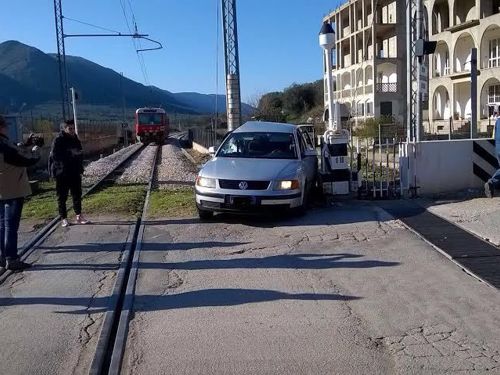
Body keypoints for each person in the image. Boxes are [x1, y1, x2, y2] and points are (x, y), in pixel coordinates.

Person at [0, 115, 40, 270]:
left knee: (2, 225)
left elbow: (15, 150)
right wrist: (36, 150)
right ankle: (12, 258)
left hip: (2, 190)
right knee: (10, 226)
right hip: (13, 189)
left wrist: (26, 144)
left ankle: (3, 257)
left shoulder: (4, 145)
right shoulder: (4, 146)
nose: (7, 128)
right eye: (5, 125)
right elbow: (26, 159)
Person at [50, 119, 89, 227]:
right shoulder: (58, 140)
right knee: (62, 196)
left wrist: (79, 159)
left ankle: (78, 215)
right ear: (64, 129)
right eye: (70, 129)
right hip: (62, 173)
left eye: (73, 128)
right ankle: (64, 218)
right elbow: (55, 156)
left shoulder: (75, 138)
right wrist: (70, 154)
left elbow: (79, 152)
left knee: (77, 194)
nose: (72, 130)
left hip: (75, 171)